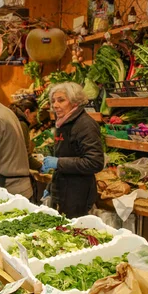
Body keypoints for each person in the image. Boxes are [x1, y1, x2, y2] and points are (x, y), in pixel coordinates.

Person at [40, 82, 104, 218]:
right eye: (53, 101)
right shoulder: (63, 123)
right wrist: (51, 187)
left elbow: (95, 162)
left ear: (75, 102)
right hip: (63, 192)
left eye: (61, 100)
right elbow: (64, 159)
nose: (55, 105)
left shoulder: (85, 125)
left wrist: (58, 163)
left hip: (78, 197)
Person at [12, 100, 42, 171]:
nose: (33, 121)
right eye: (34, 116)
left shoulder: (13, 119)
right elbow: (25, 156)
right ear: (27, 112)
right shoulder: (22, 124)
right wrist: (41, 167)